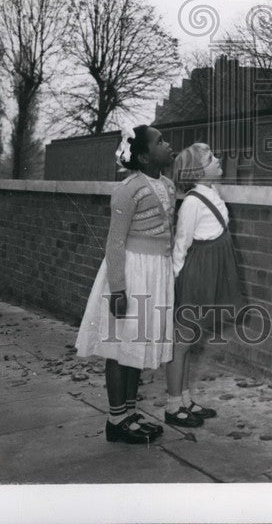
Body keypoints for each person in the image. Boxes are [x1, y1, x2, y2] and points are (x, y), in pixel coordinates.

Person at [75, 124, 176, 444]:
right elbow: (115, 242)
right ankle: (116, 420)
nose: (168, 144)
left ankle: (130, 414)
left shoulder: (169, 186)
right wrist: (117, 288)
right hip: (132, 273)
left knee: (138, 344)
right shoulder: (128, 188)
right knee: (121, 346)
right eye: (161, 141)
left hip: (155, 272)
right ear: (145, 156)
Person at [163, 142, 244, 428]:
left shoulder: (211, 193)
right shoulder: (194, 202)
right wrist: (174, 283)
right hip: (197, 274)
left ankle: (185, 399)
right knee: (182, 341)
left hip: (214, 271)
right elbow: (181, 244)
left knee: (191, 339)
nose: (218, 158)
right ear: (197, 171)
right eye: (211, 158)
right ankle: (173, 405)